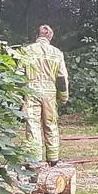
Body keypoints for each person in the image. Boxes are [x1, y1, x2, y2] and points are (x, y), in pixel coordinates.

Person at [22, 25, 69, 167]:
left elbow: (18, 75)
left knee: (33, 124)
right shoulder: (57, 53)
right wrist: (63, 96)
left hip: (31, 91)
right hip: (49, 93)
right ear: (50, 37)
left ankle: (34, 159)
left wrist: (16, 97)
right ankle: (53, 158)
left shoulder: (27, 50)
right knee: (50, 124)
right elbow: (62, 78)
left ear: (37, 35)